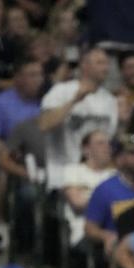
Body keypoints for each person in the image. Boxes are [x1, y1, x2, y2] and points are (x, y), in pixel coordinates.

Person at [38, 47, 118, 190]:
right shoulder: (61, 91)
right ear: (84, 65)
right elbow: (44, 124)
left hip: (94, 176)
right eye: (100, 63)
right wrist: (74, 101)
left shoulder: (110, 100)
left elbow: (108, 140)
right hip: (61, 172)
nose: (105, 68)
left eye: (107, 63)